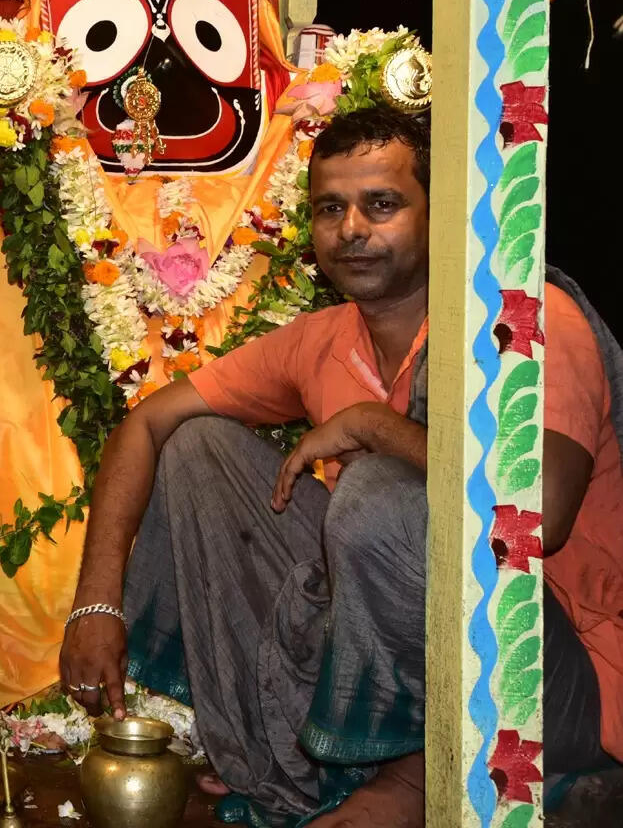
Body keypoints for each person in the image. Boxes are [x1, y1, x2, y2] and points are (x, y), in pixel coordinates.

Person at [59, 107, 622, 826]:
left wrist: (373, 427)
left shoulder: (527, 323)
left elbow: (540, 514)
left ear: (439, 213)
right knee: (198, 448)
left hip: (550, 675)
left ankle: (412, 778)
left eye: (381, 204)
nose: (351, 229)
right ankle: (279, 764)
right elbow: (147, 422)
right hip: (396, 652)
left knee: (378, 494)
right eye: (331, 208)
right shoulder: (320, 340)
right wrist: (95, 604)